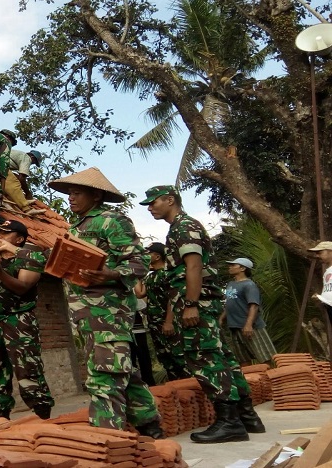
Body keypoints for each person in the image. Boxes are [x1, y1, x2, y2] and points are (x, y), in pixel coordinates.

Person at [141, 185, 264, 442]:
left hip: (198, 304)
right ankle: (247, 416)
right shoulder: (179, 227)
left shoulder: (184, 227)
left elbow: (193, 266)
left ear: (170, 200)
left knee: (205, 359)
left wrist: (190, 304)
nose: (150, 207)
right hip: (203, 303)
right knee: (223, 359)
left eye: (153, 202)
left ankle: (230, 422)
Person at [47, 167, 162, 436]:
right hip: (88, 318)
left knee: (104, 378)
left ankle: (107, 439)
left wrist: (109, 274)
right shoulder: (75, 227)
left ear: (96, 195)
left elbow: (138, 262)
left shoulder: (112, 221)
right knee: (121, 372)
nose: (70, 199)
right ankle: (150, 426)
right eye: (69, 194)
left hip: (109, 314)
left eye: (76, 193)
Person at [0, 220, 55, 420]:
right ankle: (0, 415)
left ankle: (42, 415)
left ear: (19, 239)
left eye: (5, 233)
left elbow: (22, 287)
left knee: (28, 370)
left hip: (19, 321)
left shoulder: (31, 258)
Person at [135, 242, 189, 381]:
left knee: (179, 359)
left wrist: (169, 322)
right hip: (155, 324)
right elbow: (140, 293)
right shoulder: (150, 276)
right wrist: (137, 272)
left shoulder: (168, 274)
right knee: (166, 360)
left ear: (157, 256)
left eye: (148, 253)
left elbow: (173, 299)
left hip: (170, 323)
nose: (145, 256)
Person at [220, 258, 277, 366]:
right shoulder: (231, 284)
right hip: (235, 326)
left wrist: (248, 325)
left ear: (242, 268)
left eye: (233, 265)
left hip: (251, 327)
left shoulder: (249, 285)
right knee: (243, 359)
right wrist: (222, 318)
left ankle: (273, 378)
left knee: (264, 357)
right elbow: (230, 304)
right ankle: (249, 381)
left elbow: (254, 306)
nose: (230, 267)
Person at [0, 130, 46, 216]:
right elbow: (22, 178)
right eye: (33, 162)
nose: (31, 164)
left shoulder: (16, 154)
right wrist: (28, 193)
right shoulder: (26, 158)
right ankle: (26, 208)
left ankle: (18, 198)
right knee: (14, 183)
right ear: (32, 157)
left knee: (13, 177)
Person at [309, 241, 332, 322]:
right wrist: (320, 297)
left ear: (330, 251)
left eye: (320, 252)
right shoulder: (327, 271)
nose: (317, 255)